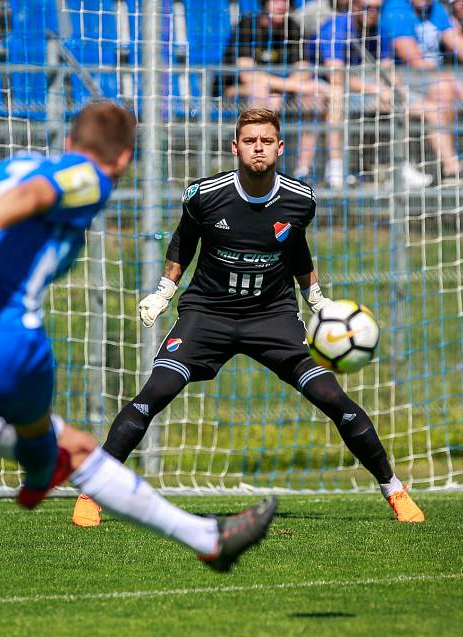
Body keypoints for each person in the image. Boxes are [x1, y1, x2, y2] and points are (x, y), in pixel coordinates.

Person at [0, 101, 277, 637]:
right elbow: (39, 196)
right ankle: (42, 472)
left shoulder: (15, 163)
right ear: (123, 156)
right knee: (67, 449)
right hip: (7, 344)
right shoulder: (90, 177)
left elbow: (25, 189)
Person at [72, 108, 426, 529]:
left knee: (333, 399)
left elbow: (296, 249)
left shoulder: (300, 198)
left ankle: (395, 490)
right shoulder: (204, 195)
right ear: (235, 146)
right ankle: (92, 493)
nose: (258, 147)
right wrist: (165, 291)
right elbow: (184, 242)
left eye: (266, 140)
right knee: (156, 391)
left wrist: (316, 299)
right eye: (250, 140)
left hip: (273, 317)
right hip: (207, 314)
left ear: (280, 147)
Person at [313, 0, 433, 187]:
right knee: (336, 98)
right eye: (368, 7)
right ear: (354, 6)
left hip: (368, 89)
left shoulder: (379, 29)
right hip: (326, 87)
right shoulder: (335, 28)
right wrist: (378, 90)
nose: (373, 13)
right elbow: (336, 78)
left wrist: (397, 91)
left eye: (378, 8)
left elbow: (388, 70)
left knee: (421, 105)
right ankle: (335, 169)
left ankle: (400, 167)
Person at [230, 0, 345, 189]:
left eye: (285, 2)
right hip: (237, 89)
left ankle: (304, 172)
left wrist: (292, 85)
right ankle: (257, 170)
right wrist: (291, 84)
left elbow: (303, 68)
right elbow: (247, 75)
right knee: (264, 95)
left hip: (281, 89)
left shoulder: (292, 27)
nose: (281, 5)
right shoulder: (247, 26)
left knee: (313, 98)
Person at [380, 0, 463, 182]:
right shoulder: (397, 9)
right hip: (407, 77)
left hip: (438, 76)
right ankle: (451, 168)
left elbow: (457, 42)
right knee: (443, 89)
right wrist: (454, 82)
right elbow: (413, 60)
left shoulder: (435, 9)